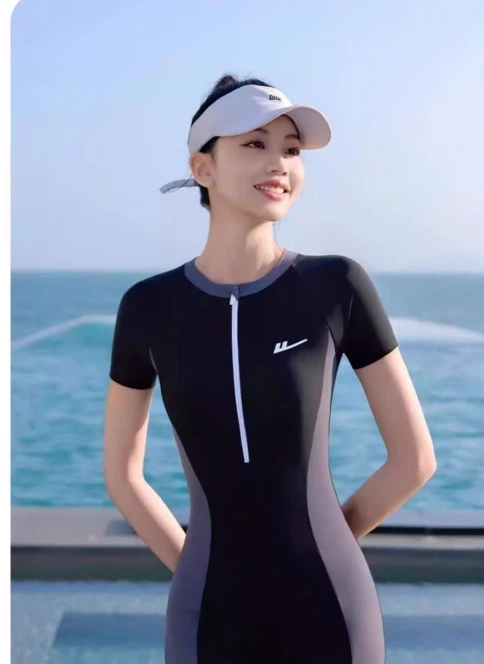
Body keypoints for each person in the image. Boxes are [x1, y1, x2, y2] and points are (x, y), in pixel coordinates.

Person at [104, 74, 437, 663]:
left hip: (331, 605)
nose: (279, 162)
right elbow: (122, 474)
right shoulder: (149, 308)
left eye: (291, 148)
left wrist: (322, 545)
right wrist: (197, 568)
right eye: (255, 144)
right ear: (203, 168)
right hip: (207, 614)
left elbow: (414, 460)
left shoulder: (336, 286)